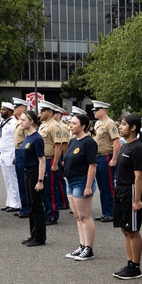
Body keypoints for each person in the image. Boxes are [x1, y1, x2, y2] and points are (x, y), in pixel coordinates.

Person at [113, 114, 142, 279]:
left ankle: (136, 267)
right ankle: (129, 263)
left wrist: (137, 200)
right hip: (121, 190)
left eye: (124, 124)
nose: (120, 127)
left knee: (133, 230)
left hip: (131, 191)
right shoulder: (125, 145)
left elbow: (139, 176)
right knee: (125, 229)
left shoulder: (137, 148)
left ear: (133, 128)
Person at [62, 112, 99, 261]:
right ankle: (82, 245)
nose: (71, 125)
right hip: (70, 181)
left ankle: (89, 249)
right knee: (78, 217)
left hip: (82, 181)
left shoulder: (89, 142)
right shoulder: (73, 141)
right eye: (70, 123)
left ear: (83, 126)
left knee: (85, 216)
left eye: (74, 123)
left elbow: (92, 165)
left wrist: (88, 186)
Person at [18, 110, 47, 247]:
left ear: (31, 121)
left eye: (23, 120)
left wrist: (40, 180)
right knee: (31, 204)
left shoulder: (37, 138)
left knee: (36, 205)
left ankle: (40, 237)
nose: (21, 122)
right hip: (27, 172)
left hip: (35, 172)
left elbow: (42, 160)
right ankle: (33, 234)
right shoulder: (27, 136)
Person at [38, 102, 67, 225]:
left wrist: (55, 163)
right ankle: (47, 212)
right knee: (45, 189)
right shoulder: (43, 125)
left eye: (43, 111)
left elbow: (58, 146)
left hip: (50, 159)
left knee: (51, 188)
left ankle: (52, 215)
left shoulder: (54, 126)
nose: (40, 113)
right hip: (43, 159)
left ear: (50, 112)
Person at [92, 100, 121, 222]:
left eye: (96, 110)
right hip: (98, 157)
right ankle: (105, 211)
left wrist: (114, 159)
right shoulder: (98, 123)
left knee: (109, 186)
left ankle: (112, 212)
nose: (94, 112)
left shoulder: (110, 124)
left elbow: (116, 142)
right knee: (102, 186)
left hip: (106, 156)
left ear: (104, 111)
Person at [0, 102, 21, 213]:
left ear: (10, 111)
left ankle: (16, 203)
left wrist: (15, 155)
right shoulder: (3, 122)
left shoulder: (14, 123)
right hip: (3, 152)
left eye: (4, 109)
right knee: (7, 179)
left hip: (11, 153)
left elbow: (16, 140)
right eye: (1, 109)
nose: (1, 111)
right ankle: (10, 202)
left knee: (13, 180)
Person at [10, 99, 31, 219]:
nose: (14, 108)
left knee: (24, 181)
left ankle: (27, 208)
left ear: (23, 108)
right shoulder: (19, 122)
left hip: (23, 152)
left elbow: (27, 140)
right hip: (18, 152)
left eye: (17, 106)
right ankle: (24, 206)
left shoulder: (26, 123)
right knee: (20, 182)